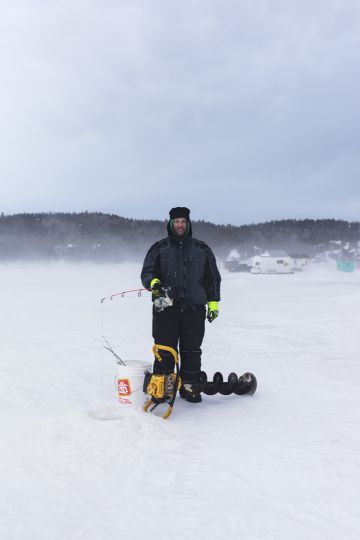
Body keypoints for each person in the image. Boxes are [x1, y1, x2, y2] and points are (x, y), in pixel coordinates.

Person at [141, 207, 221, 403]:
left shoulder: (202, 249)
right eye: (176, 221)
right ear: (170, 223)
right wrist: (154, 283)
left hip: (194, 308)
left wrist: (213, 303)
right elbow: (147, 273)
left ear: (188, 224)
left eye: (183, 221)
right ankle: (163, 389)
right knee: (164, 350)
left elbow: (212, 279)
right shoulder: (159, 248)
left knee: (192, 350)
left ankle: (190, 387)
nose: (180, 225)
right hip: (164, 307)